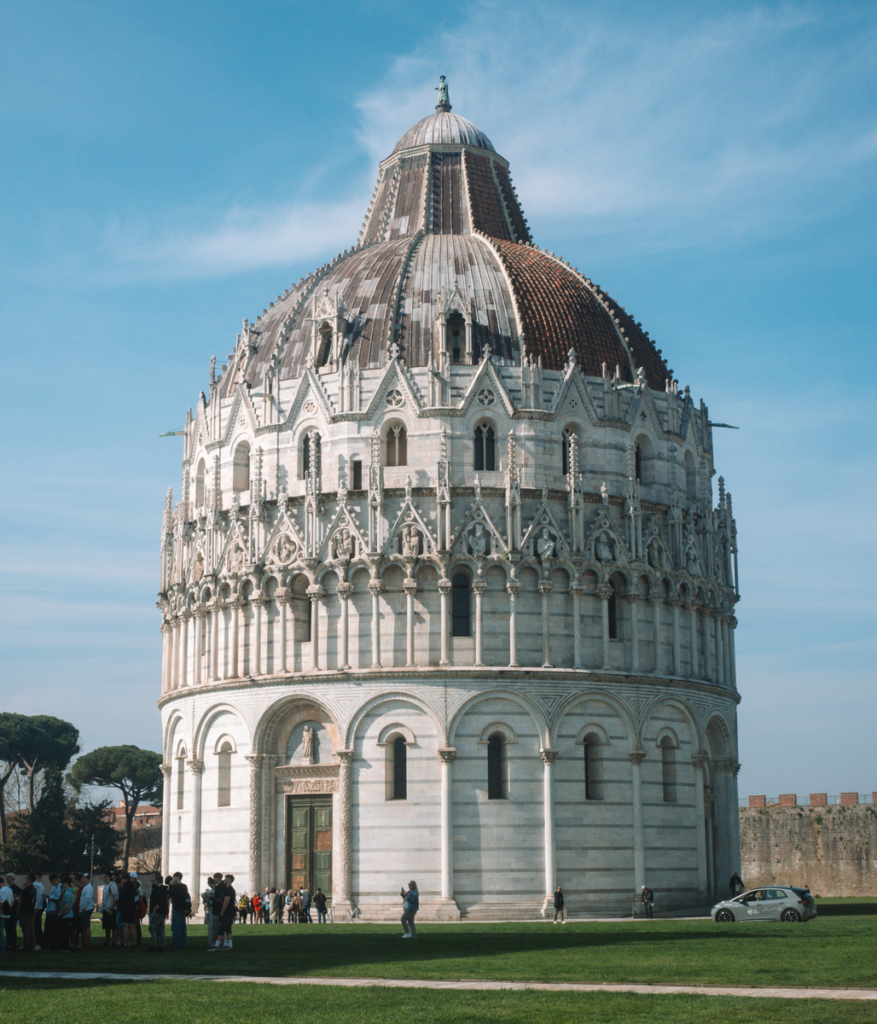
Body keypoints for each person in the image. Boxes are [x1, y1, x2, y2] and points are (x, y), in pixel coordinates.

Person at [169, 872, 190, 948]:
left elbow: (171, 894)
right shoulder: (184, 886)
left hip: (177, 908)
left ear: (177, 878)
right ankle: (183, 943)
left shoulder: (177, 887)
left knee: (176, 926)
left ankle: (177, 943)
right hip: (183, 908)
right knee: (182, 926)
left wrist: (171, 885)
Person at [118, 873, 138, 947]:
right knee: (132, 926)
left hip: (126, 908)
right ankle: (133, 942)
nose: (121, 880)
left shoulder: (125, 888)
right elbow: (136, 898)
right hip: (132, 908)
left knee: (125, 926)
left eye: (122, 878)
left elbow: (122, 899)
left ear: (126, 879)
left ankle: (125, 942)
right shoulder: (132, 887)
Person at [18, 875, 38, 952]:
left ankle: (26, 946)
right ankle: (31, 945)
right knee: (30, 928)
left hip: (24, 910)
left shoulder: (26, 890)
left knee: (25, 928)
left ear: (29, 879)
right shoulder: (34, 889)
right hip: (31, 910)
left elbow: (20, 899)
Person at [56, 875, 76, 951]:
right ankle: (65, 947)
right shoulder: (71, 891)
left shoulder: (67, 893)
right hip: (68, 914)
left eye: (63, 883)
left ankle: (65, 947)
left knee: (64, 933)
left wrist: (60, 913)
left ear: (66, 883)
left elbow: (67, 906)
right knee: (65, 933)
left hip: (65, 916)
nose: (62, 885)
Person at [217, 874, 236, 951]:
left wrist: (222, 912)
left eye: (226, 879)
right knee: (228, 929)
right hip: (231, 911)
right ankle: (229, 945)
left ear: (229, 880)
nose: (224, 880)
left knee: (222, 928)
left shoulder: (229, 890)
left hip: (227, 911)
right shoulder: (229, 889)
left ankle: (216, 945)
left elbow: (226, 902)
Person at [100, 872, 119, 947]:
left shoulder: (112, 885)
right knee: (107, 927)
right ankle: (107, 941)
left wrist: (111, 908)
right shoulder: (105, 886)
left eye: (104, 876)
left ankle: (114, 941)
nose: (103, 877)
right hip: (106, 908)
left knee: (113, 926)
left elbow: (116, 898)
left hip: (111, 909)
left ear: (109, 877)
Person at [43, 874, 61, 952]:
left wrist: (50, 897)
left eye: (52, 881)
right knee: (48, 928)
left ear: (57, 879)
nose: (52, 883)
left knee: (52, 929)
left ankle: (53, 945)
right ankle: (48, 944)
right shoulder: (54, 887)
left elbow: (58, 898)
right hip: (50, 910)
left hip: (54, 911)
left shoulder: (59, 887)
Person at [209, 874, 227, 950]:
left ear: (218, 878)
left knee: (216, 929)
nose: (214, 879)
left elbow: (219, 899)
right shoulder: (219, 887)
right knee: (217, 928)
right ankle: (219, 944)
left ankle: (217, 945)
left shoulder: (221, 887)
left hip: (218, 910)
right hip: (216, 909)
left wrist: (210, 898)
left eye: (215, 878)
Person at [4, 875, 21, 951]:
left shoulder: (14, 887)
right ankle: (9, 942)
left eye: (8, 877)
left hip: (12, 910)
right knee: (8, 927)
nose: (7, 878)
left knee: (11, 927)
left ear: (12, 878)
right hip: (10, 910)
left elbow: (14, 898)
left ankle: (12, 943)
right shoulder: (10, 888)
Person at [78, 872, 95, 950]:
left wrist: (83, 908)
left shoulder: (88, 887)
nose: (82, 879)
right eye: (81, 878)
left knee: (86, 927)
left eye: (83, 878)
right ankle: (85, 942)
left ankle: (86, 943)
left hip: (86, 909)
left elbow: (87, 899)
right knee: (84, 927)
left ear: (88, 878)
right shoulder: (86, 887)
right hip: (84, 909)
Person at [0, 875, 14, 955]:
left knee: (1, 932)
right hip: (7, 913)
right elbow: (12, 902)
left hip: (1, 914)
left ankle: (1, 950)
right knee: (6, 930)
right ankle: (9, 944)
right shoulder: (9, 889)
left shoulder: (1, 891)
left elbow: (1, 904)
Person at [32, 872, 46, 950]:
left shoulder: (38, 885)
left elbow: (38, 898)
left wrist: (36, 907)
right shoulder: (38, 885)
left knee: (37, 926)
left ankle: (39, 943)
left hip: (37, 908)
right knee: (35, 926)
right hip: (37, 907)